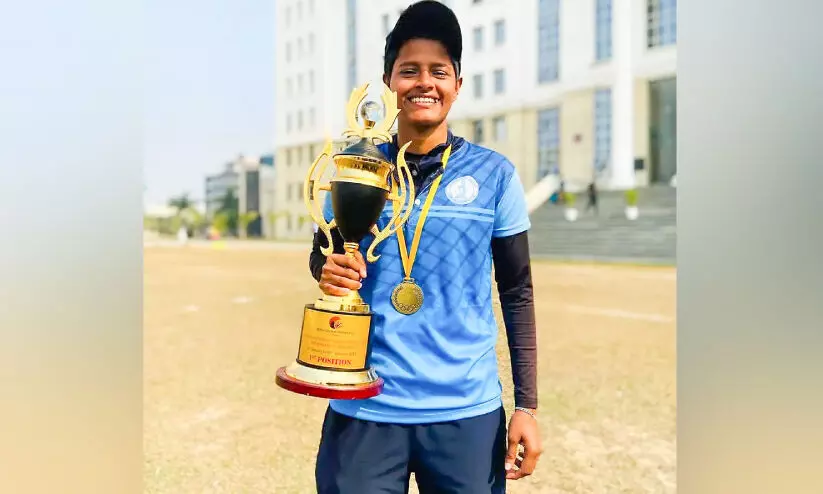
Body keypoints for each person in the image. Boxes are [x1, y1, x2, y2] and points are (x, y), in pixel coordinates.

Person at [308, 2, 541, 492]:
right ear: (388, 82)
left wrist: (527, 405)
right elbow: (323, 255)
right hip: (365, 406)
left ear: (458, 83)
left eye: (439, 71)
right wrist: (329, 270)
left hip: (466, 413)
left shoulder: (495, 175)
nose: (424, 83)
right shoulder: (355, 169)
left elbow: (517, 291)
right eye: (409, 70)